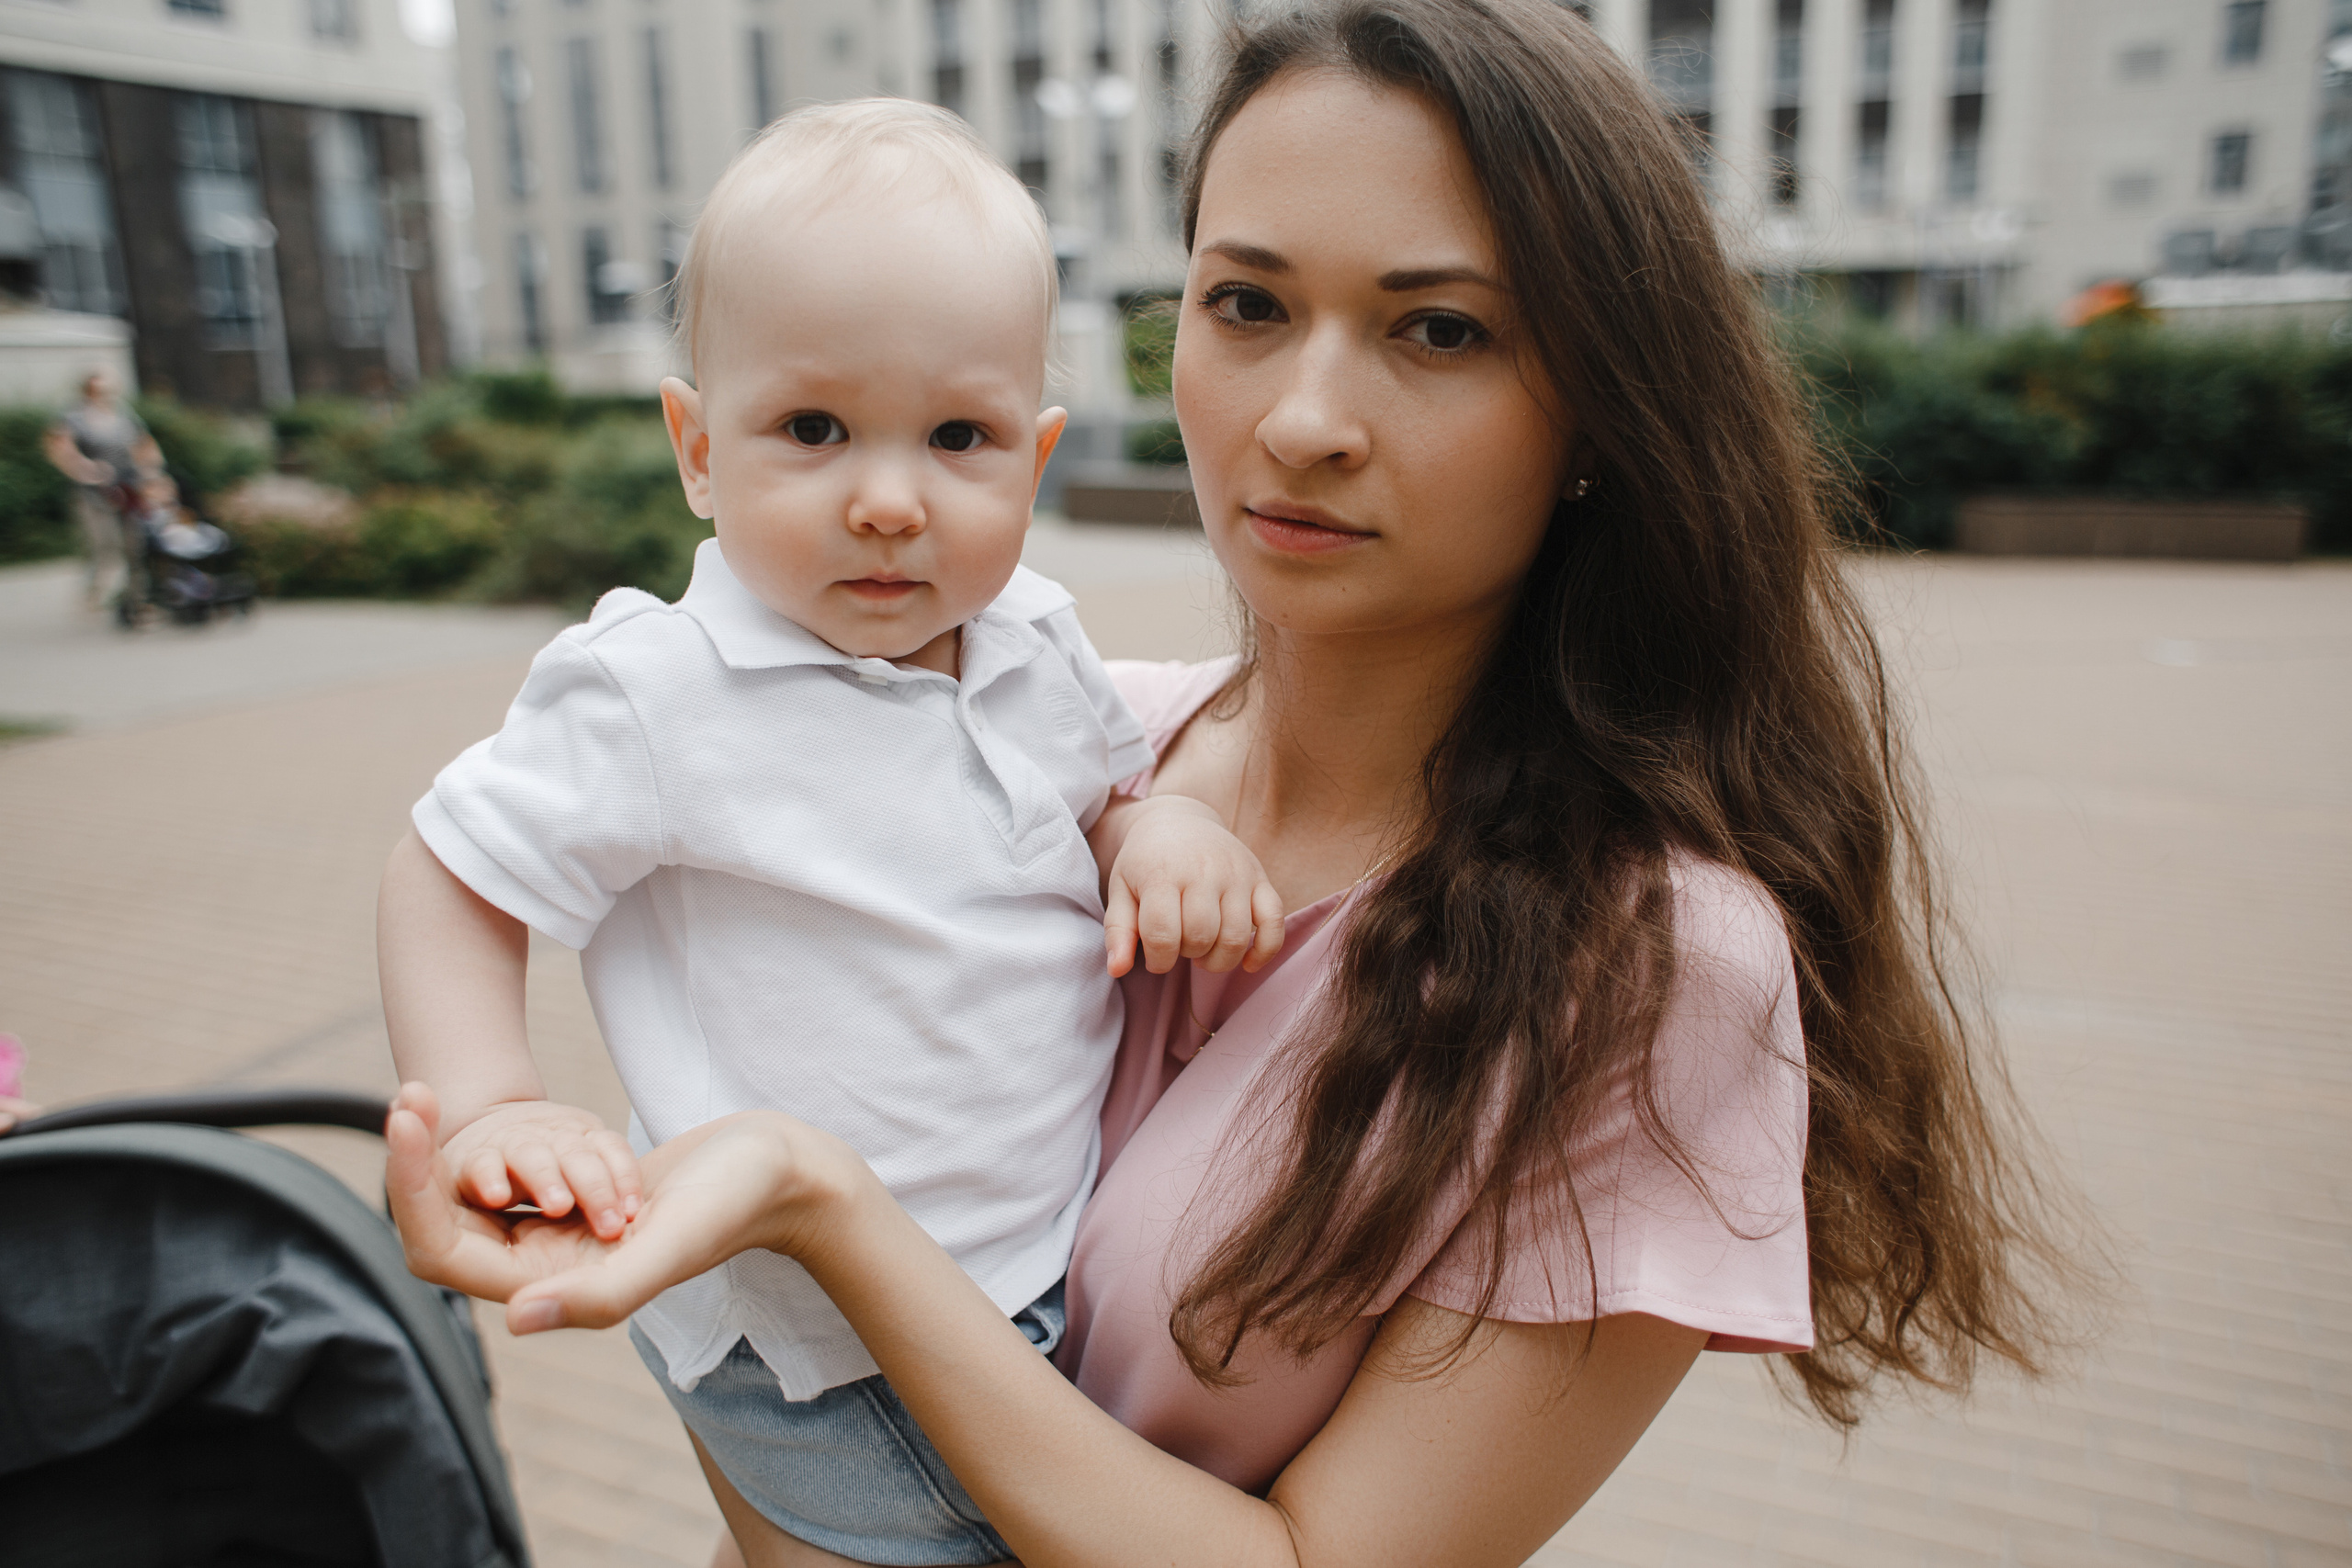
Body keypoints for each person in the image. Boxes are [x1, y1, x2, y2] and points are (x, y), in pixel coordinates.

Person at [389, 3, 2088, 1564]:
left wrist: (811, 1200)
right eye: (1248, 305)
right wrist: (497, 1127)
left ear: (1600, 412)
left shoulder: (1644, 968)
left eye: (1438, 328)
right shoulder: (1058, 731)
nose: (1303, 419)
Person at [376, 100, 1283, 1568]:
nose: (885, 498)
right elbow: (449, 866)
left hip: (1022, 1274)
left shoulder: (1035, 642)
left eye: (959, 436)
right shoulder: (662, 689)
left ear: (1034, 459)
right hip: (803, 1335)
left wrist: (1158, 828)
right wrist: (488, 1101)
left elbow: (1099, 799)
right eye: (811, 429)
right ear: (696, 447)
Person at [43, 369, 162, 615]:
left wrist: (151, 469)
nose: (104, 395)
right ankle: (94, 591)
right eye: (98, 390)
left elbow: (145, 445)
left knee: (135, 542)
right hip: (93, 492)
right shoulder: (74, 417)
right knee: (105, 545)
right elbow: (61, 450)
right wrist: (87, 470)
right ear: (87, 391)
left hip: (127, 486)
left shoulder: (124, 416)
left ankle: (135, 597)